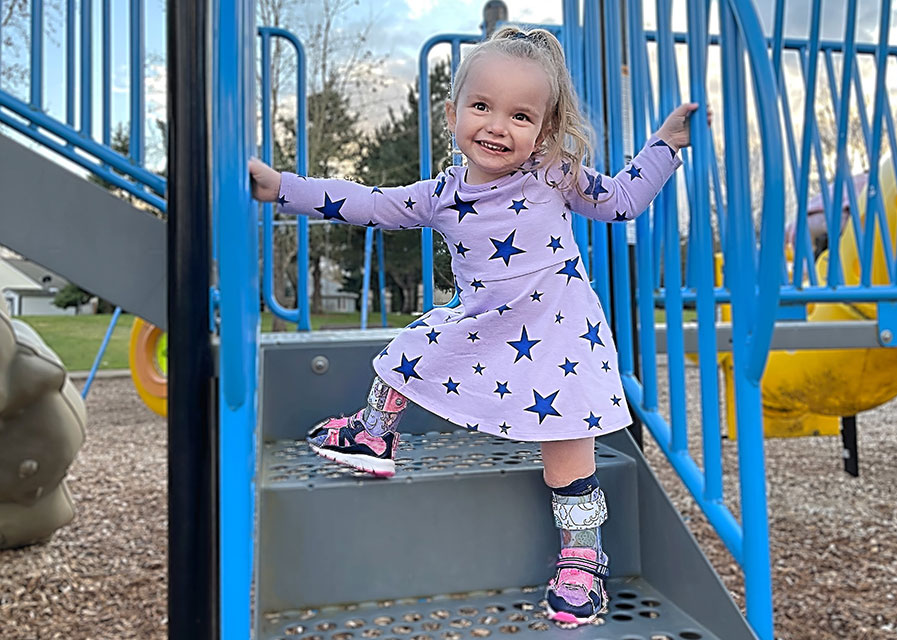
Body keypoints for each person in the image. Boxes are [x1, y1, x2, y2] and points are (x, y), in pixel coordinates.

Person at [249, 25, 705, 628]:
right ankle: (372, 433)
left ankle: (582, 560)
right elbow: (369, 204)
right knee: (411, 348)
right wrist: (284, 189)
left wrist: (665, 145)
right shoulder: (443, 193)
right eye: (483, 106)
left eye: (520, 115)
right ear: (452, 113)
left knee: (568, 450)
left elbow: (621, 201)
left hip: (561, 332)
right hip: (488, 322)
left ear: (544, 130)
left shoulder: (555, 174)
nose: (497, 125)